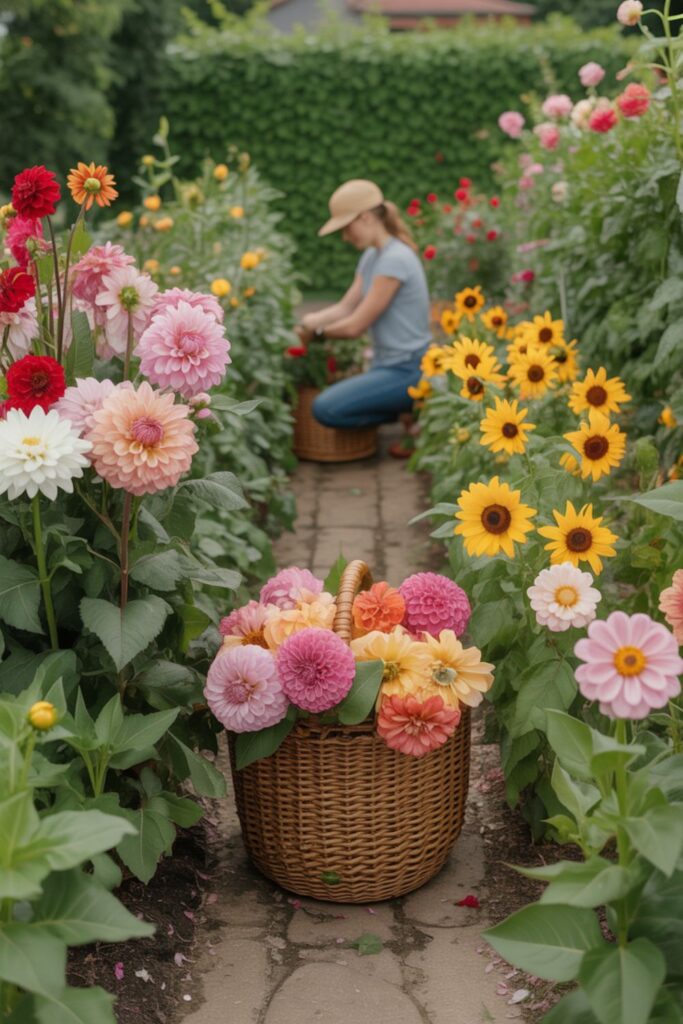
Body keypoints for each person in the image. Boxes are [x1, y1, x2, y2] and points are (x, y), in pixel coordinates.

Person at [295, 179, 431, 455]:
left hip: (410, 369)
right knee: (332, 402)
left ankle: (416, 408)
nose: (345, 237)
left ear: (366, 218)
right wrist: (306, 322)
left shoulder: (395, 260)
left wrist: (316, 334)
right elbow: (345, 307)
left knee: (326, 409)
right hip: (386, 365)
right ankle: (408, 412)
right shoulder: (372, 256)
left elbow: (355, 326)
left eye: (347, 227)